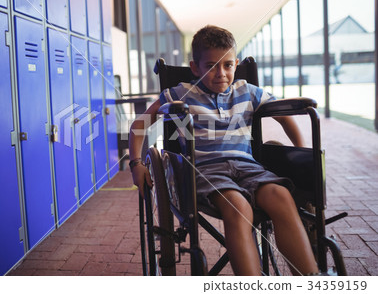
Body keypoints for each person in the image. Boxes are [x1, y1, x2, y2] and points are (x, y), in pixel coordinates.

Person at [128, 25, 318, 276]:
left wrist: (302, 152)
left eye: (227, 65)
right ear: (195, 67)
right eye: (211, 66)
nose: (221, 73)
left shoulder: (247, 91)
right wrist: (136, 163)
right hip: (206, 171)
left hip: (248, 167)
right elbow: (140, 123)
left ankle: (310, 279)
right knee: (239, 207)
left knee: (282, 196)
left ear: (236, 64)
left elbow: (284, 117)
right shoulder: (181, 93)